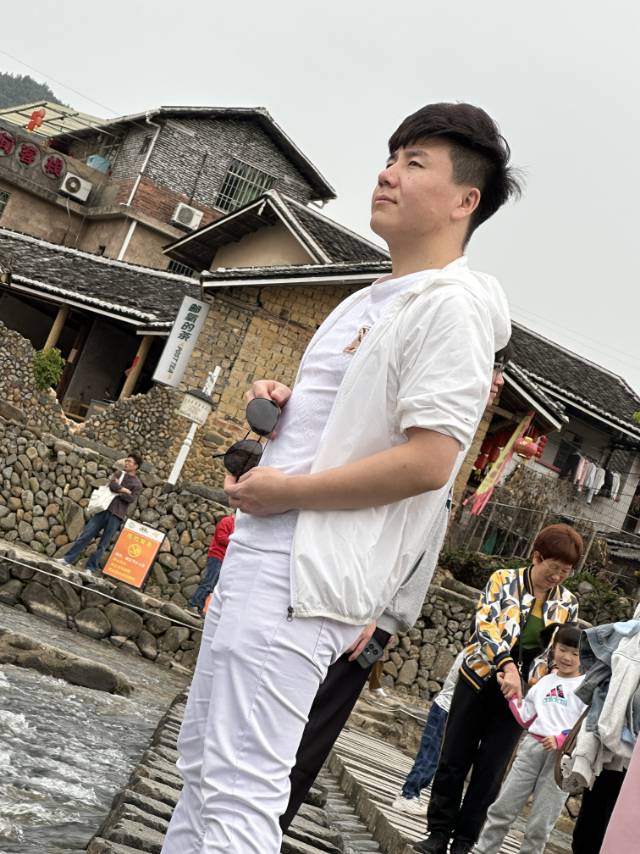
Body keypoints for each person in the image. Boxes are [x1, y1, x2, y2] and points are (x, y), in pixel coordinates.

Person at [161, 101, 517, 854]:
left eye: (414, 162)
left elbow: (430, 461)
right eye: (391, 157)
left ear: (465, 200)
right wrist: (287, 409)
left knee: (241, 788)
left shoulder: (453, 310)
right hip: (263, 556)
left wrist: (287, 490)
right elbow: (359, 428)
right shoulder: (368, 298)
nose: (388, 174)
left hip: (302, 573)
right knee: (203, 769)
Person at [282, 349, 511, 831]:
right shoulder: (430, 432)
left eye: (502, 374)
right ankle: (261, 825)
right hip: (365, 609)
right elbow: (393, 528)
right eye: (493, 369)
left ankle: (265, 825)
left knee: (317, 731)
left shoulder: (455, 436)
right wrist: (374, 607)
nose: (497, 383)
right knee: (309, 728)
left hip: (376, 615)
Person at [418, 523, 582, 854]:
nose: (557, 577)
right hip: (480, 679)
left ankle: (466, 841)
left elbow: (558, 653)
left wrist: (538, 683)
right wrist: (506, 667)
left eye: (565, 572)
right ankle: (438, 832)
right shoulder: (503, 580)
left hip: (521, 698)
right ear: (536, 557)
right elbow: (485, 627)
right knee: (454, 757)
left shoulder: (568, 603)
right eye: (553, 568)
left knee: (491, 770)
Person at [472, 623, 585, 854]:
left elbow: (586, 725)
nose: (567, 657)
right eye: (563, 649)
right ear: (554, 648)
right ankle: (484, 850)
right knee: (503, 807)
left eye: (575, 653)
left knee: (541, 823)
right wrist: (511, 694)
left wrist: (561, 739)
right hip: (532, 747)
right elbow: (527, 716)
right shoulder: (545, 681)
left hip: (563, 758)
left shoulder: (587, 687)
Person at [393, 651, 465, 816]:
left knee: (432, 757)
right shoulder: (477, 652)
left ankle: (410, 793)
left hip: (446, 709)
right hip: (445, 709)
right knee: (429, 757)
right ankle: (408, 795)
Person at [61, 452, 143, 572]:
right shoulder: (119, 473)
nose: (126, 463)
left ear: (136, 466)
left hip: (117, 516)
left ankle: (90, 568)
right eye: (126, 460)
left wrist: (118, 490)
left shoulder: (137, 484)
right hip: (103, 509)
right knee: (86, 535)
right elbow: (112, 485)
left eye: (129, 461)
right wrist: (124, 490)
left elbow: (131, 499)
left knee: (103, 544)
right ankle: (67, 559)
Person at [187, 514, 235, 616]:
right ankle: (193, 604)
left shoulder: (237, 526)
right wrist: (235, 542)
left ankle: (200, 607)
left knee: (213, 586)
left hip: (225, 559)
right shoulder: (227, 521)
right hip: (217, 556)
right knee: (209, 583)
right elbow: (221, 538)